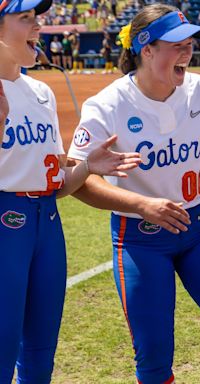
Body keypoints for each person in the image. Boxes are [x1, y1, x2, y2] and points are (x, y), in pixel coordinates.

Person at [67, 5, 200, 384]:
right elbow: (76, 181)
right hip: (140, 238)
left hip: (199, 230)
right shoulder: (107, 106)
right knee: (154, 357)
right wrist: (140, 204)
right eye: (176, 44)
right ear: (146, 49)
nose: (187, 51)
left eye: (190, 43)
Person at [0, 0, 141, 381]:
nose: (38, 28)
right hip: (4, 224)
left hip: (47, 222)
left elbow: (56, 185)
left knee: (41, 347)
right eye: (25, 19)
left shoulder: (41, 93)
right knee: (2, 342)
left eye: (38, 19)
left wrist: (88, 167)